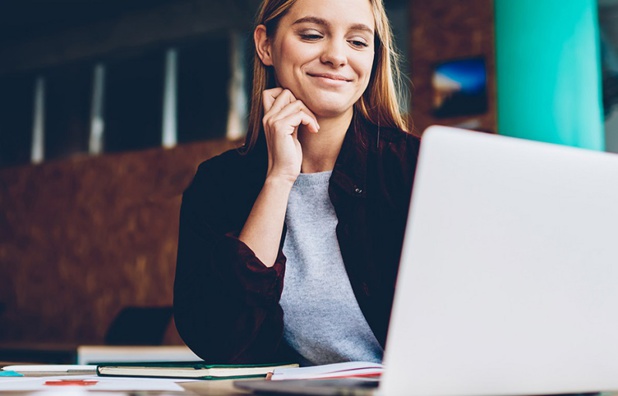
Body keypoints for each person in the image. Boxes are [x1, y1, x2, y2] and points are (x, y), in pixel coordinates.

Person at [173, 0, 420, 366]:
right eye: (312, 34)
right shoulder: (219, 184)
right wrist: (279, 178)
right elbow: (220, 340)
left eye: (357, 42)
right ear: (266, 45)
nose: (337, 56)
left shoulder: (415, 168)